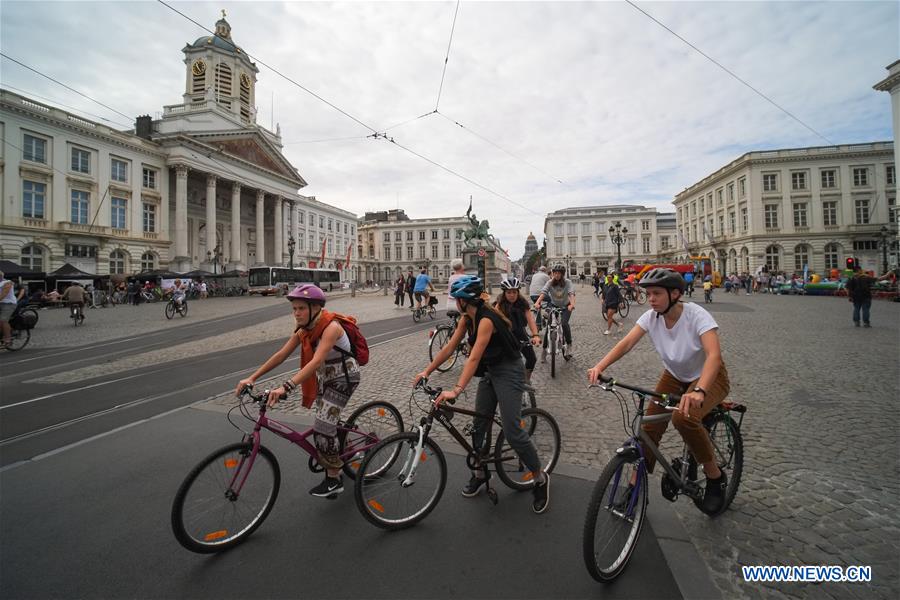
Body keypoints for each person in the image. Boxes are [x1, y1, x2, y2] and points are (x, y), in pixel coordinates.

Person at [587, 268, 731, 513]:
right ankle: (635, 488)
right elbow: (626, 343)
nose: (650, 298)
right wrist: (600, 366)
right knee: (648, 428)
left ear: (675, 294)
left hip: (709, 376)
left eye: (656, 293)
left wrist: (699, 391)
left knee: (683, 418)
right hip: (674, 376)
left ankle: (715, 477)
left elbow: (714, 356)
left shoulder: (697, 316)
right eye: (649, 293)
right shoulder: (651, 317)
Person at [415, 276, 550, 513]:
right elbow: (449, 348)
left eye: (456, 299)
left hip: (509, 371)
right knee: (479, 426)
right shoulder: (467, 318)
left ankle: (540, 478)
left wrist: (456, 389)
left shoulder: (487, 320)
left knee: (513, 431)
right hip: (490, 370)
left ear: (464, 301)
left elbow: (474, 357)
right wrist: (426, 371)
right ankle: (480, 474)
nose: (455, 303)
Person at [236, 284, 361, 498]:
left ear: (315, 308)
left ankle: (334, 478)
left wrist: (286, 386)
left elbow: (316, 361)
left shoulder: (331, 327)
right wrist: (252, 378)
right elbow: (281, 355)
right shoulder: (304, 330)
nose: (296, 313)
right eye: (294, 309)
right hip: (326, 378)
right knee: (328, 419)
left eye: (301, 308)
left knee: (322, 425)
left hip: (344, 378)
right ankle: (345, 446)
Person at [495, 277, 541, 383]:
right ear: (504, 293)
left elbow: (530, 319)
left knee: (532, 359)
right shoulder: (499, 305)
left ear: (518, 292)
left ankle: (526, 380)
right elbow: (495, 322)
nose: (512, 295)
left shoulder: (522, 303)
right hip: (506, 335)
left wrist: (535, 335)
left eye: (514, 292)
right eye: (509, 292)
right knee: (508, 361)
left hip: (520, 333)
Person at [535, 264, 576, 360]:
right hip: (553, 305)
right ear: (552, 273)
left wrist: (572, 304)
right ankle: (544, 350)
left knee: (564, 323)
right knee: (549, 326)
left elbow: (571, 293)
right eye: (555, 273)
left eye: (559, 273)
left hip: (566, 306)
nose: (557, 275)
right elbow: (543, 292)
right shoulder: (550, 282)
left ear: (562, 274)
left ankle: (569, 345)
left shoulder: (568, 282)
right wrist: (537, 302)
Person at [0, 271, 17, 348]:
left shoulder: (7, 282)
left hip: (9, 304)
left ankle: (8, 338)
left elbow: (3, 294)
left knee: (3, 320)